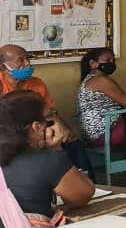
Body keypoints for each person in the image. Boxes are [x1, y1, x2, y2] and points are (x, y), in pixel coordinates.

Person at [0, 91, 95, 228]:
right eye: (49, 119)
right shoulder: (45, 161)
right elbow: (82, 195)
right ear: (37, 127)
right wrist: (56, 150)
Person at [0, 44, 94, 180]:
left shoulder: (36, 83)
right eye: (20, 60)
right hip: (11, 135)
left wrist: (64, 128)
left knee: (73, 144)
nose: (27, 63)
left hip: (38, 130)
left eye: (28, 59)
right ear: (3, 67)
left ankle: (89, 183)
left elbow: (50, 112)